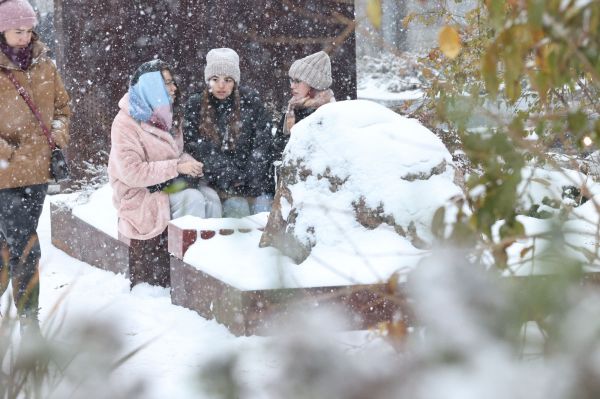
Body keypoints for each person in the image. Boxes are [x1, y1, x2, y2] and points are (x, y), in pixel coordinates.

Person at [108, 59, 221, 288]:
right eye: (167, 83)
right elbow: (132, 172)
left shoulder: (165, 115)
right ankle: (183, 271)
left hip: (165, 185)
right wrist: (177, 168)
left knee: (211, 197)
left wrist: (191, 163)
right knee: (193, 199)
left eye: (172, 83)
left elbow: (177, 154)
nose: (174, 89)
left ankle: (211, 267)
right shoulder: (125, 123)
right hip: (140, 193)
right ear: (151, 86)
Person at [0, 0, 71, 336]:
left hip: (38, 172)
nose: (24, 37)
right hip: (4, 174)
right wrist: (7, 152)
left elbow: (62, 106)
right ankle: (30, 325)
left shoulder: (45, 64)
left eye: (28, 30)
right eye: (18, 30)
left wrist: (57, 135)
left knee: (9, 243)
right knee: (27, 245)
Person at [183, 48, 273, 218]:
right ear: (208, 80)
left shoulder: (251, 103)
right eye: (215, 79)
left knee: (263, 212)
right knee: (237, 208)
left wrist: (249, 178)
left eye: (228, 79)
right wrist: (231, 178)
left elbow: (262, 144)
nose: (221, 85)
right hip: (218, 184)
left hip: (254, 182)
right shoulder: (196, 105)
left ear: (235, 82)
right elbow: (199, 149)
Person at [271, 51, 335, 163]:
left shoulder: (325, 114)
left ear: (314, 84)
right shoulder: (293, 108)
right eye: (291, 80)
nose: (292, 86)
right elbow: (277, 149)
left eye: (297, 81)